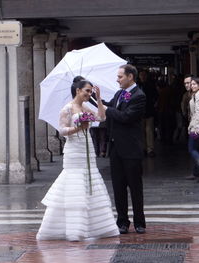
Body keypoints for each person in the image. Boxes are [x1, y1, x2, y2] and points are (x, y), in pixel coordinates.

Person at [36, 77, 119, 241]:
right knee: (74, 183)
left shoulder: (85, 106)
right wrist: (77, 128)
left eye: (90, 91)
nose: (89, 93)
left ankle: (95, 226)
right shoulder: (67, 108)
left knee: (90, 180)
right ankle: (74, 228)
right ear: (78, 91)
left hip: (87, 147)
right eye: (87, 91)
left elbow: (101, 118)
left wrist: (99, 98)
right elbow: (62, 130)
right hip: (74, 149)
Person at [104, 64, 146, 234]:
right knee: (118, 187)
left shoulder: (139, 95)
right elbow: (111, 107)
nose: (117, 79)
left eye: (120, 76)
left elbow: (125, 117)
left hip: (131, 149)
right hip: (116, 148)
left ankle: (139, 222)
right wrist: (94, 98)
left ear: (130, 77)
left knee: (135, 187)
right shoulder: (119, 93)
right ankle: (122, 221)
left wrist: (107, 109)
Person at [138, 70, 158, 157]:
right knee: (141, 131)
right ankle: (143, 148)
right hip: (139, 112)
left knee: (149, 130)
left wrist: (153, 104)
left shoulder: (151, 85)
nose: (143, 77)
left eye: (144, 75)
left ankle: (150, 149)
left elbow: (156, 96)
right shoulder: (137, 86)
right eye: (141, 75)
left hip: (149, 110)